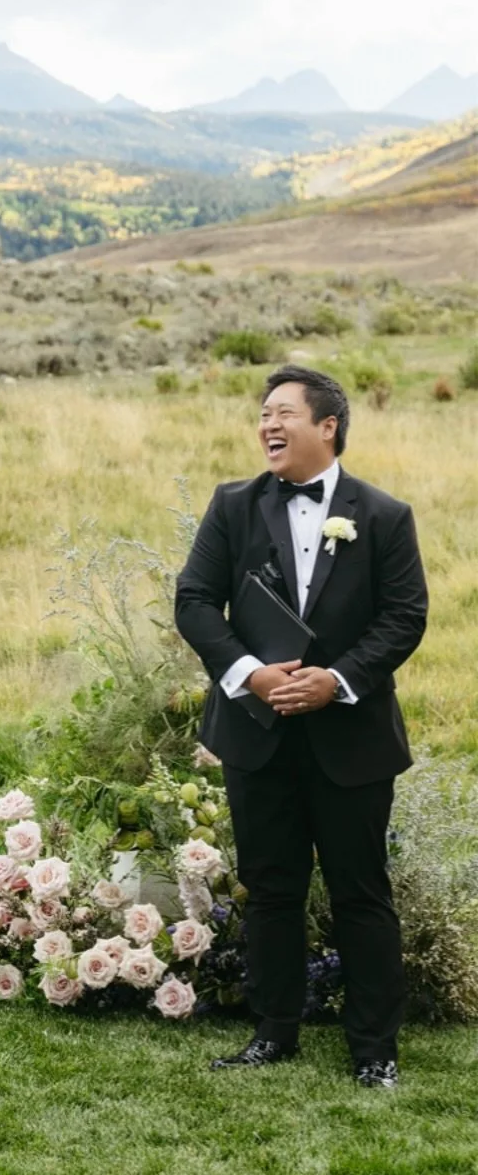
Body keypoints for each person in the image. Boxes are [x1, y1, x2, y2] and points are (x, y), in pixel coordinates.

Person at [175, 364, 427, 1089]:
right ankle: (274, 1032)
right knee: (271, 886)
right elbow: (194, 601)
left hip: (351, 739)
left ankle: (374, 1049)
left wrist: (337, 680)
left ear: (329, 426)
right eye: (262, 414)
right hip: (256, 733)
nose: (268, 425)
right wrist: (248, 672)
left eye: (284, 413)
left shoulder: (384, 515)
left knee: (361, 891)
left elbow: (405, 617)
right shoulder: (232, 507)